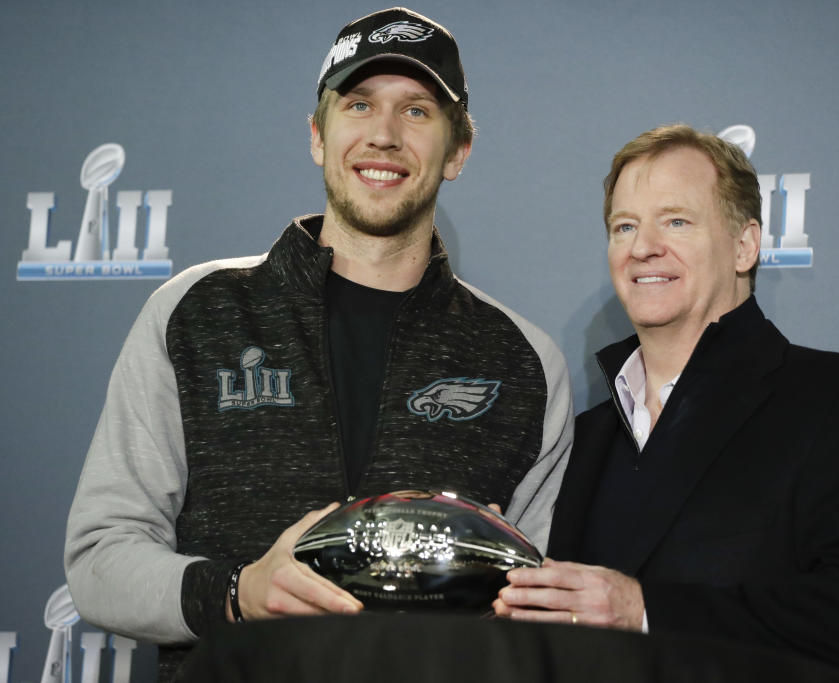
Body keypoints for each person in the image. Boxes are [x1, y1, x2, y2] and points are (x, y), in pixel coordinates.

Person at [65, 8, 573, 680]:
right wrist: (238, 593)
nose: (384, 135)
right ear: (317, 135)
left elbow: (536, 609)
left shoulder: (523, 361)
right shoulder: (196, 313)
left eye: (417, 111)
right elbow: (100, 560)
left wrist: (488, 587)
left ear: (458, 151)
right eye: (358, 104)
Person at [494, 124, 839, 682]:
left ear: (746, 245)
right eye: (623, 226)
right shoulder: (583, 437)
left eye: (676, 220)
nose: (643, 246)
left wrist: (645, 610)